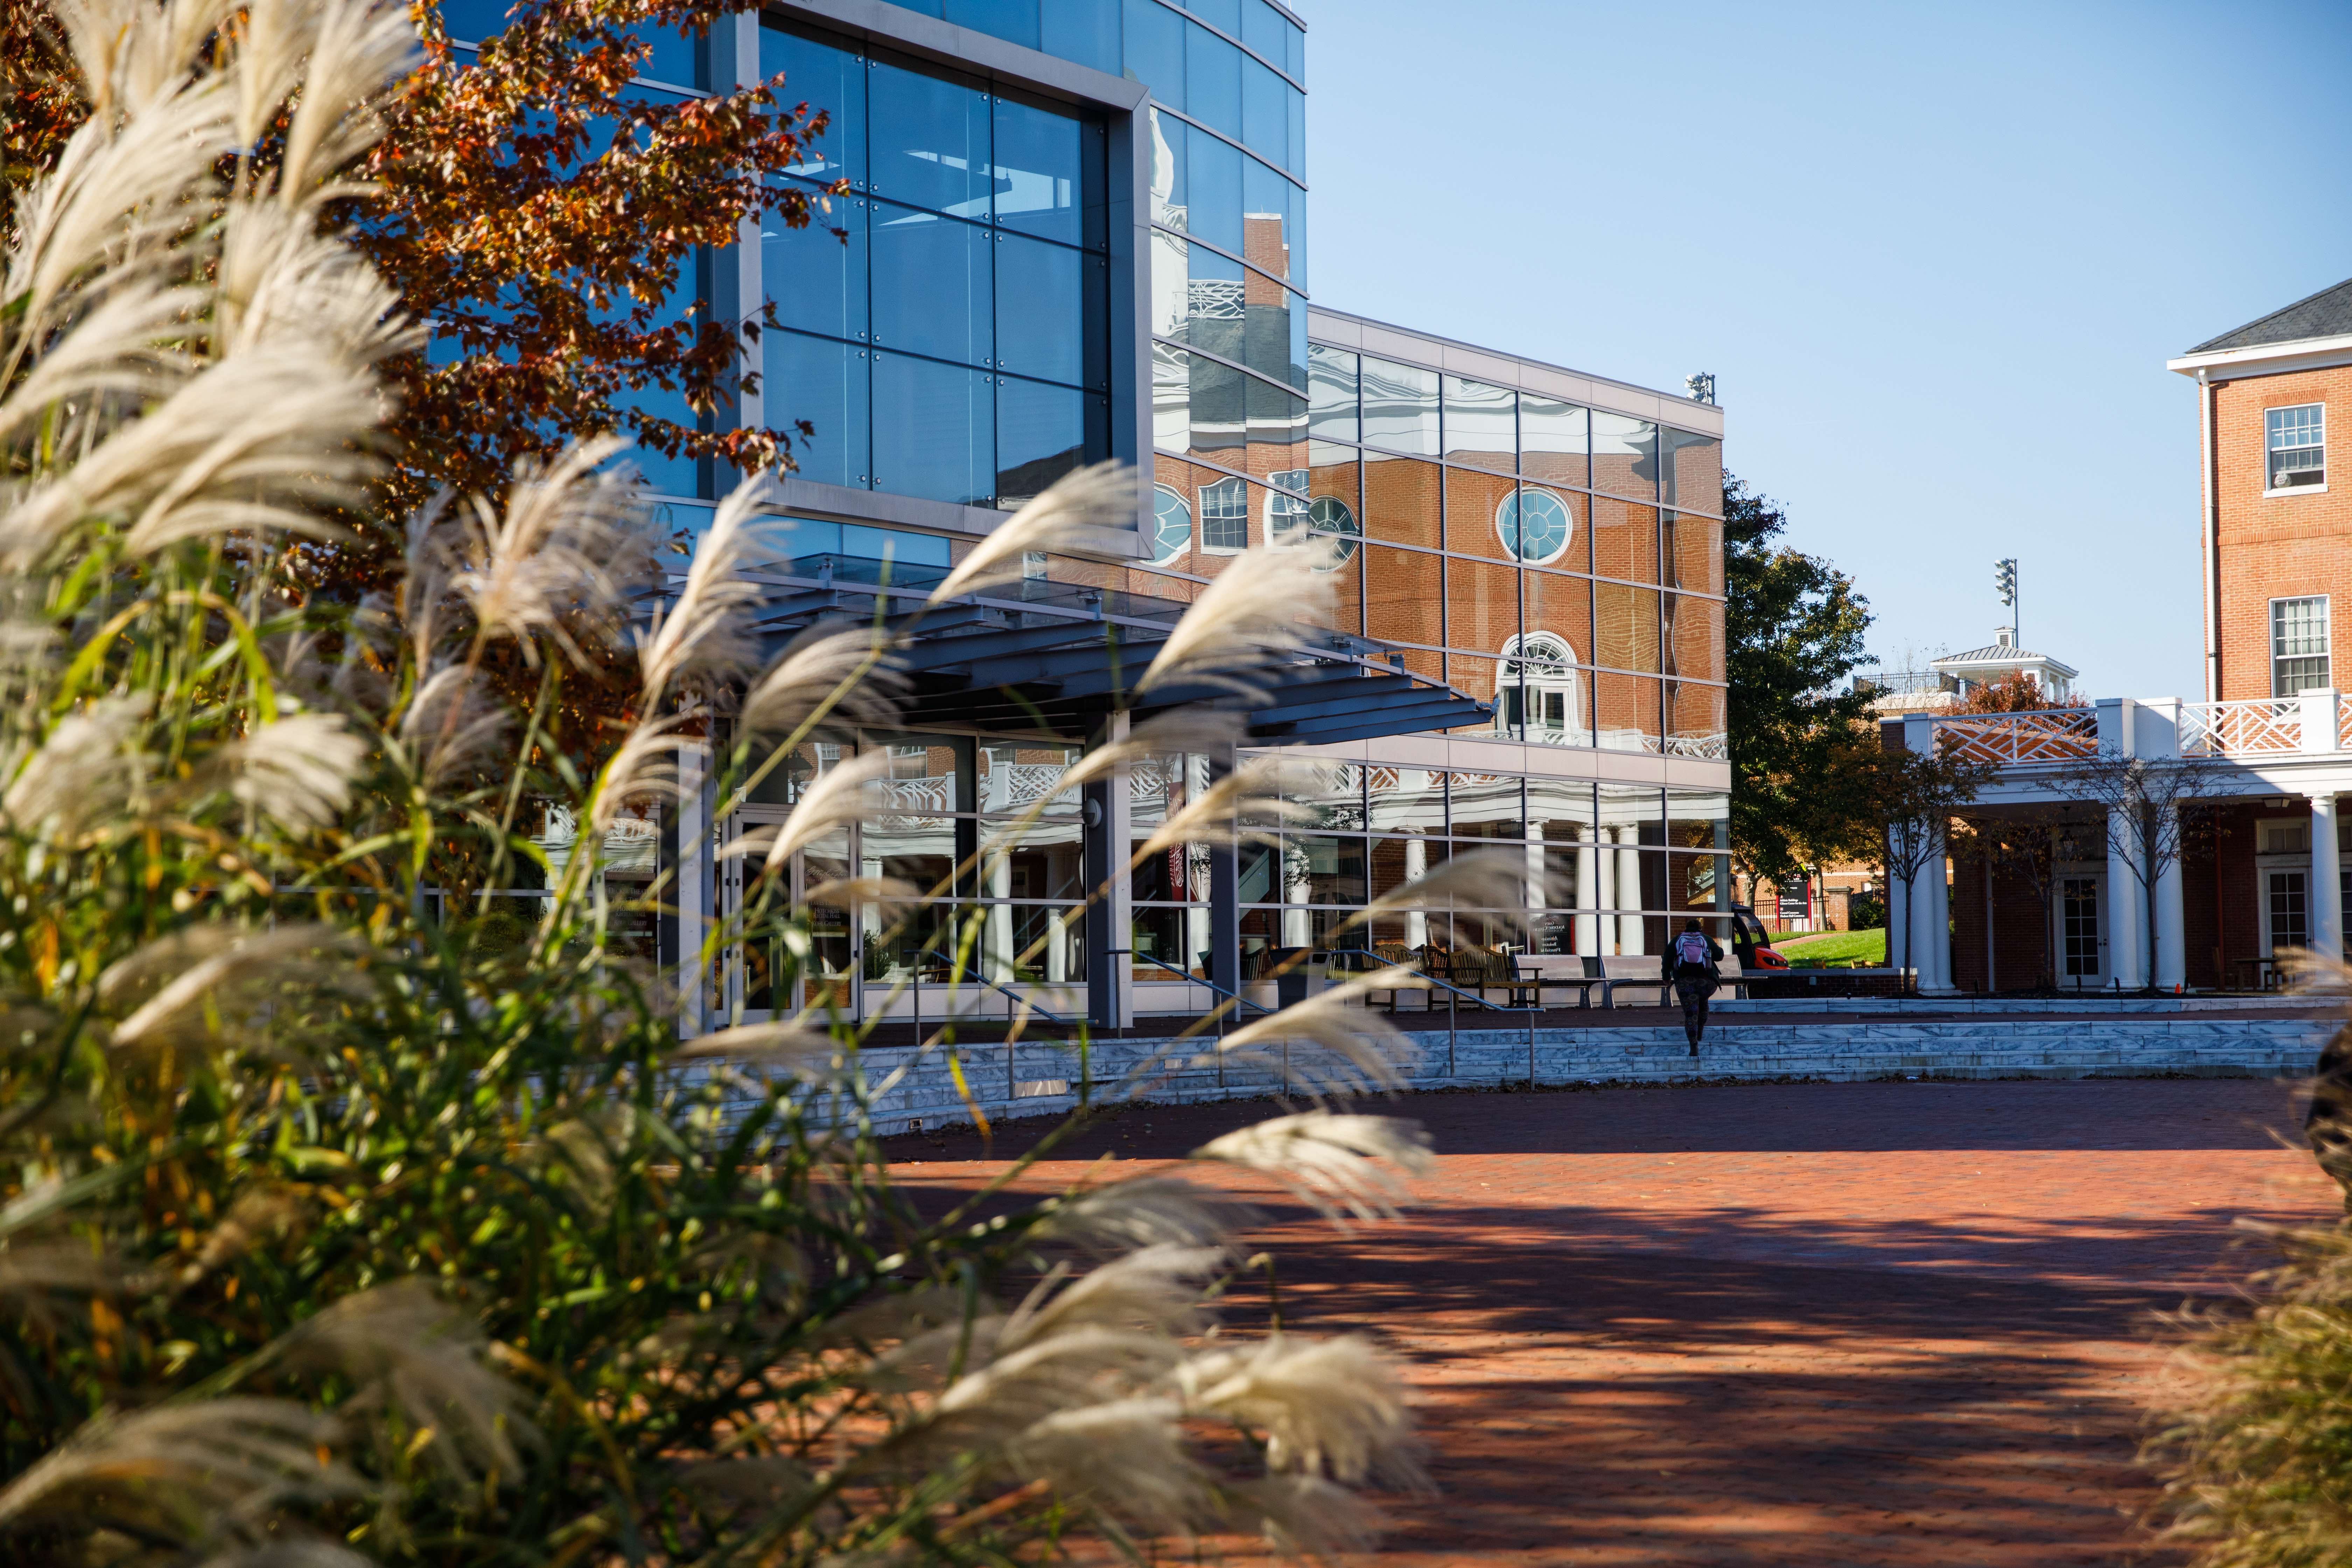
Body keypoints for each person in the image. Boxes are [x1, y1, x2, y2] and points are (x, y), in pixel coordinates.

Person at [1662, 917, 1723, 1055]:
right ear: (1700, 928)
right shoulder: (1705, 938)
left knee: (1691, 1012)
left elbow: (1667, 959)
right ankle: (1700, 1030)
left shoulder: (1677, 939)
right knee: (1703, 1002)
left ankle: (1694, 1045)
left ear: (1686, 928)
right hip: (1706, 983)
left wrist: (1666, 977)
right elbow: (1719, 956)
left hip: (1685, 983)